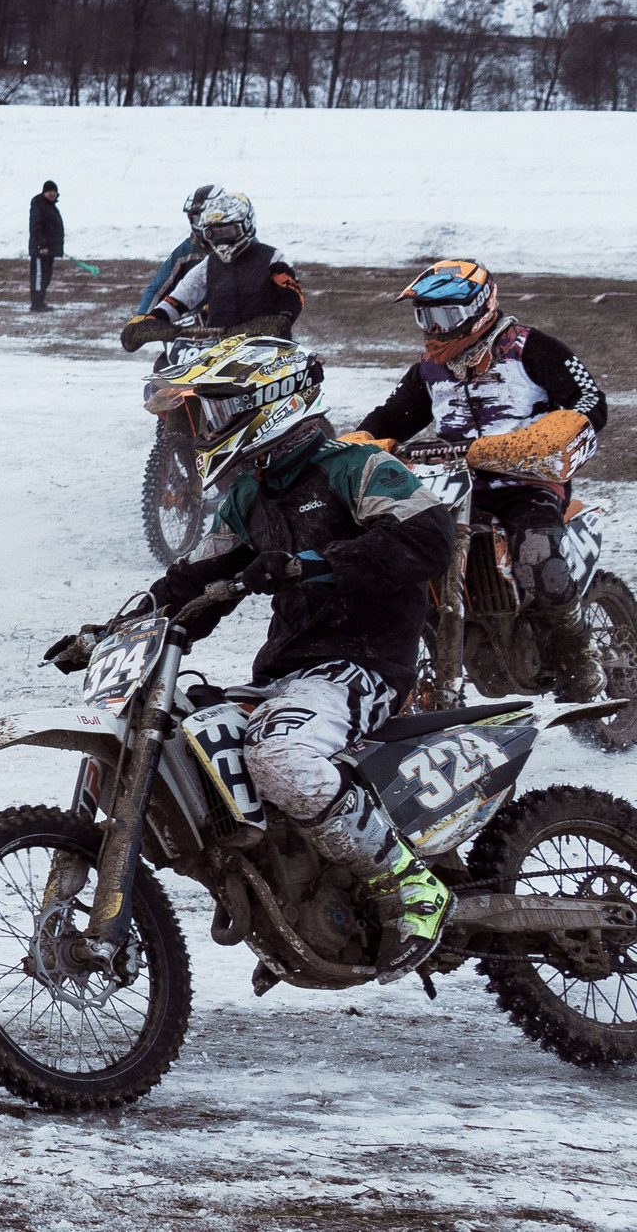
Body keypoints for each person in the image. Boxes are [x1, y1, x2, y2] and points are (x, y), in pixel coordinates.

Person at [56, 337, 457, 982]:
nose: (203, 429)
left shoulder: (356, 468)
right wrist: (113, 630)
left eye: (218, 411)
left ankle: (409, 885)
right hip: (289, 673)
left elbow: (427, 539)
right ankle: (286, 893)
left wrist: (312, 565)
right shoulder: (250, 498)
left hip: (364, 666)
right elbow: (193, 581)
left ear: (271, 403)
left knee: (278, 756)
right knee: (193, 737)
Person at [343, 260, 609, 699]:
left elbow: (589, 400)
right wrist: (360, 442)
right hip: (453, 483)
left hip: (527, 483)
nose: (434, 327)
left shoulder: (533, 349)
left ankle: (580, 656)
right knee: (402, 549)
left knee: (538, 554)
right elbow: (393, 417)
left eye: (445, 316)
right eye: (425, 316)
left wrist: (547, 433)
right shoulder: (429, 369)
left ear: (480, 307)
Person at [118, 189, 303, 353]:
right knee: (164, 369)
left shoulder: (272, 258)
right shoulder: (208, 265)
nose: (222, 240)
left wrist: (282, 319)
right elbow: (179, 299)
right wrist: (152, 321)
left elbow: (293, 297)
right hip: (217, 348)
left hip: (266, 347)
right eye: (214, 233)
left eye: (228, 232)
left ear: (246, 226)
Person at [138, 185, 222, 315]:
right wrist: (142, 317)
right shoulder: (187, 250)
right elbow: (158, 287)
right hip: (194, 320)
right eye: (194, 219)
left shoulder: (247, 246)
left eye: (202, 218)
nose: (198, 225)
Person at [28, 180, 64, 312]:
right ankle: (36, 304)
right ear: (44, 192)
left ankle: (41, 302)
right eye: (49, 191)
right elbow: (36, 227)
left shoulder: (51, 207)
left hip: (49, 250)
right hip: (41, 250)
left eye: (54, 191)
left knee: (46, 277)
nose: (52, 194)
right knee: (38, 278)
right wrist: (41, 246)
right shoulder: (38, 206)